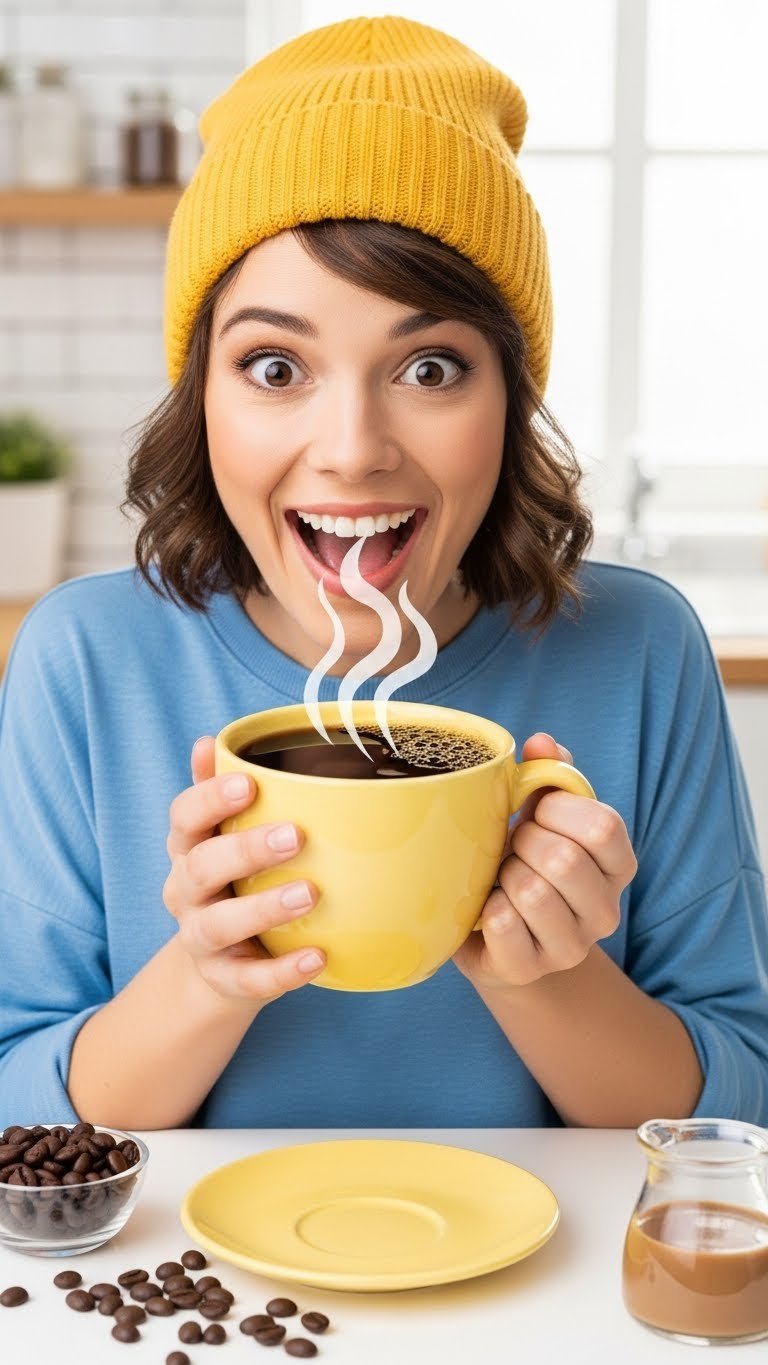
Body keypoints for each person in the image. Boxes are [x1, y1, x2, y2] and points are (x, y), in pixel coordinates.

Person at [0, 16, 766, 1133]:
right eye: (275, 366)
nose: (354, 447)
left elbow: (742, 1120)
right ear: (200, 399)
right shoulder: (88, 660)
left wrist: (542, 972)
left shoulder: (639, 651)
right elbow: (19, 1121)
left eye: (430, 366)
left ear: (509, 398)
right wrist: (205, 977)